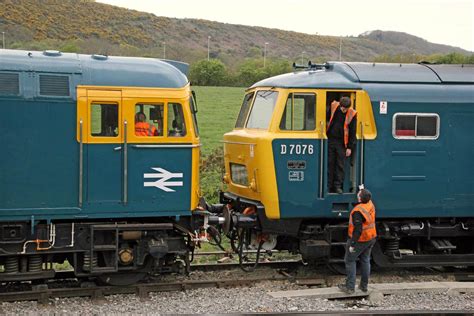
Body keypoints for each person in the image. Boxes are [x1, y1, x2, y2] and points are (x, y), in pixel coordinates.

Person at [338, 188, 377, 294]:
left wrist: (352, 244)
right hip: (371, 238)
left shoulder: (358, 211)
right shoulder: (370, 204)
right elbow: (367, 196)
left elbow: (358, 230)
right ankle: (364, 287)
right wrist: (362, 189)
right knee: (365, 260)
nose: (357, 194)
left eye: (359, 194)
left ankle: (350, 288)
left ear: (360, 198)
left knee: (350, 261)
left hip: (360, 240)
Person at [326, 96, 357, 194]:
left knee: (340, 165)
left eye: (345, 109)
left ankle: (337, 186)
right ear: (340, 105)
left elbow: (353, 131)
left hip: (342, 143)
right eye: (342, 108)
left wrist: (349, 147)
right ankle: (328, 185)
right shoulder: (334, 106)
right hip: (330, 139)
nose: (343, 110)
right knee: (330, 163)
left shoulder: (352, 114)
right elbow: (327, 118)